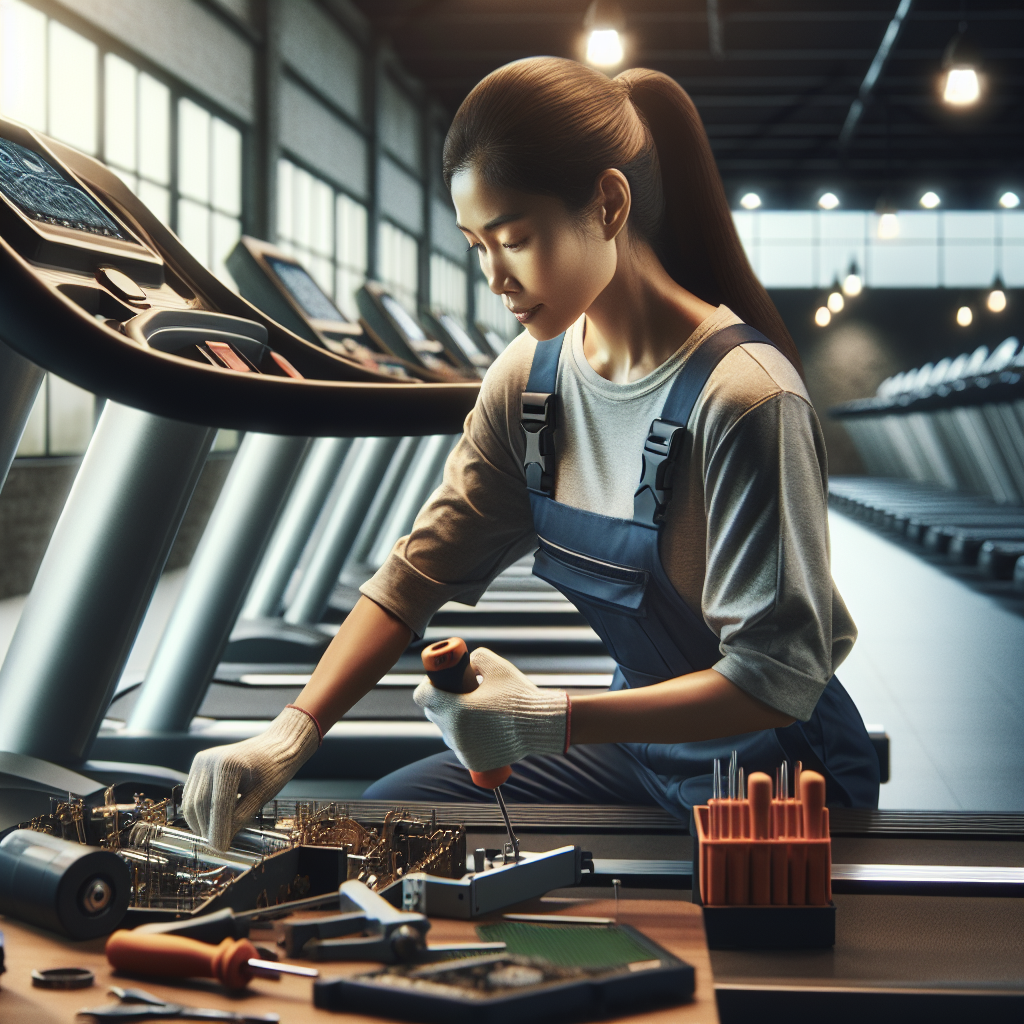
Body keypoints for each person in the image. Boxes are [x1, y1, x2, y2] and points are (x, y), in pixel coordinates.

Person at [183, 57, 879, 851]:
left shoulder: (747, 399)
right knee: (383, 828)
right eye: (477, 245)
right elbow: (415, 575)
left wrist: (551, 719)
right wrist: (292, 733)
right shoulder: (529, 380)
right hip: (636, 750)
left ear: (609, 205)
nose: (495, 279)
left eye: (514, 239)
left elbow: (772, 679)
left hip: (773, 776)